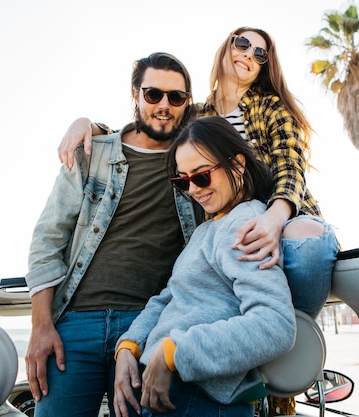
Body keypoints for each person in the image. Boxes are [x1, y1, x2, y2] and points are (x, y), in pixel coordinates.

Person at [57, 27, 339, 415]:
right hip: (217, 230)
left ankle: (280, 370)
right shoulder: (197, 115)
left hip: (275, 211)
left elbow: (291, 168)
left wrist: (274, 218)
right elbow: (154, 119)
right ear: (226, 47)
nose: (249, 54)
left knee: (311, 245)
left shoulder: (270, 110)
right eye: (181, 180)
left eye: (261, 53)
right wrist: (92, 127)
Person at [24, 52, 201, 417]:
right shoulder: (94, 154)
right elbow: (48, 239)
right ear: (135, 94)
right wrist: (41, 327)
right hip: (75, 325)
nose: (164, 105)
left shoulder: (194, 165)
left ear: (187, 104)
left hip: (149, 327)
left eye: (176, 97)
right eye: (153, 94)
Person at [113, 116, 296, 417]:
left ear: (237, 165)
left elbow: (275, 324)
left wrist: (174, 352)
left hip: (199, 398)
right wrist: (129, 346)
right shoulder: (207, 229)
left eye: (201, 176)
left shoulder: (243, 226)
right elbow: (170, 297)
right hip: (175, 391)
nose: (194, 189)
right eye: (182, 181)